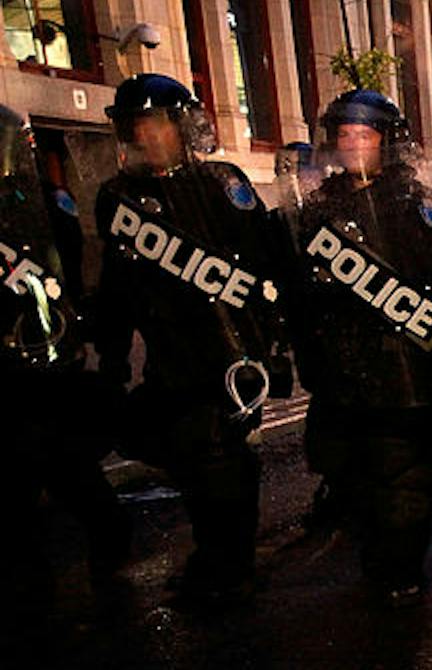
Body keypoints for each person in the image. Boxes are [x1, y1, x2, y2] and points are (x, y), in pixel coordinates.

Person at [94, 74, 290, 607]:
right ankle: (220, 556)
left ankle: (231, 564)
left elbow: (264, 267)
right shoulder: (119, 199)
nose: (147, 136)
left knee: (219, 460)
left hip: (227, 354)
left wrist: (275, 345)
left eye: (157, 123)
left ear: (182, 126)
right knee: (189, 459)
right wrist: (111, 358)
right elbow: (117, 287)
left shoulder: (222, 184)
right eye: (137, 126)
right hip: (170, 358)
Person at [286, 89, 432, 606]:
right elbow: (301, 291)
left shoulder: (414, 205)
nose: (353, 147)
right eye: (344, 136)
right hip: (343, 376)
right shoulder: (317, 209)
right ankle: (379, 566)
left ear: (385, 142)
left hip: (404, 370)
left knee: (404, 485)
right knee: (356, 483)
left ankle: (402, 570)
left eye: (364, 136)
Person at [1, 103, 129, 595]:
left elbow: (68, 261)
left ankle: (107, 551)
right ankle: (28, 580)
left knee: (66, 465)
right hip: (9, 362)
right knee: (19, 479)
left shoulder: (40, 202)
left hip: (45, 356)